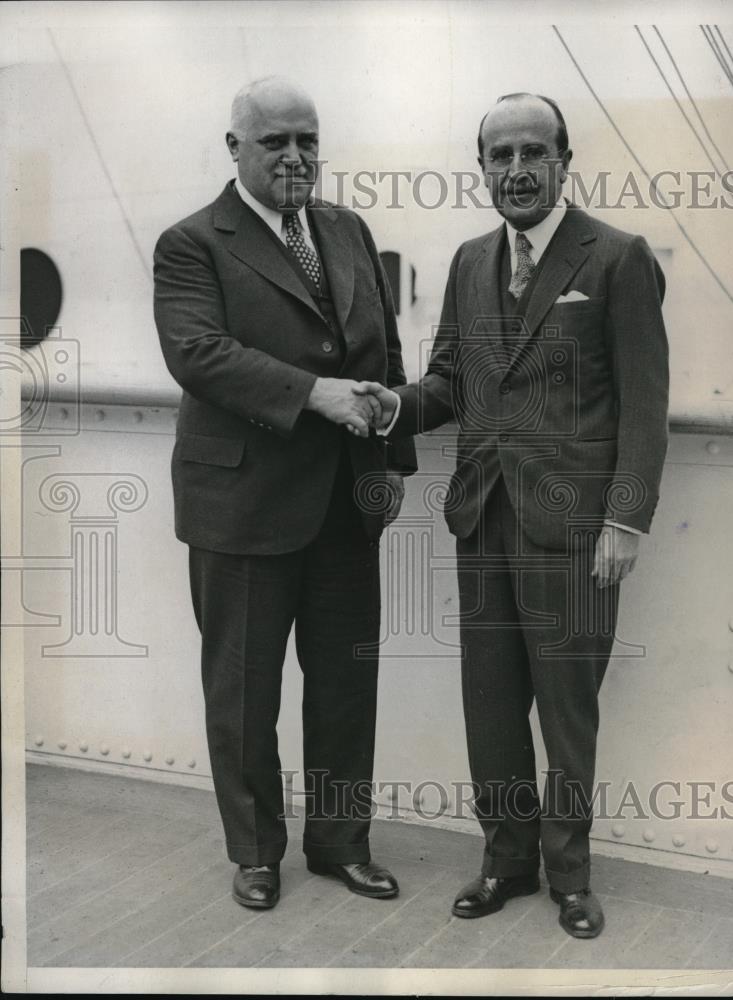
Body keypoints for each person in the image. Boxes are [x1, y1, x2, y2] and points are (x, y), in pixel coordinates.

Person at [356, 92, 669, 938]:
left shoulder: (617, 258)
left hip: (574, 530)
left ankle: (572, 875)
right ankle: (507, 860)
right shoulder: (468, 261)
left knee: (567, 709)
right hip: (484, 516)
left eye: (535, 153)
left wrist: (626, 520)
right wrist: (393, 407)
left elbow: (646, 404)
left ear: (566, 161)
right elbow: (450, 378)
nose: (518, 170)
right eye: (502, 156)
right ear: (484, 168)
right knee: (489, 702)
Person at [153, 76, 416, 911]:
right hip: (242, 507)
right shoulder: (192, 242)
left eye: (308, 140)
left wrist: (393, 463)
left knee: (345, 684)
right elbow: (197, 353)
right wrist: (317, 393)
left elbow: (385, 352)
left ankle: (341, 843)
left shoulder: (346, 229)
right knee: (243, 692)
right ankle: (257, 852)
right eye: (276, 143)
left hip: (345, 501)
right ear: (235, 148)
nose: (297, 156)